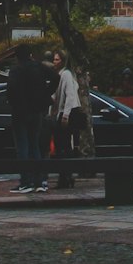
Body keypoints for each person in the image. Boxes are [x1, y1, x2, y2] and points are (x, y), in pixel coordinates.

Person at [6, 45, 57, 194]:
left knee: (22, 146)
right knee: (35, 144)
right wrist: (45, 94)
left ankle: (26, 181)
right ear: (31, 55)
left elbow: (11, 90)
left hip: (20, 111)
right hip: (36, 110)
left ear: (17, 57)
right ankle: (39, 180)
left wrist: (14, 102)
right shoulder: (38, 67)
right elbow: (55, 77)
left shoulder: (16, 70)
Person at [49, 49, 82, 189]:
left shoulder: (66, 74)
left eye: (57, 59)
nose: (54, 62)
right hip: (62, 112)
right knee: (63, 146)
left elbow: (69, 95)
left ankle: (66, 177)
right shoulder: (61, 74)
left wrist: (65, 115)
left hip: (67, 113)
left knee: (64, 146)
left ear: (62, 61)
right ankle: (65, 176)